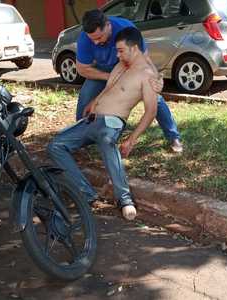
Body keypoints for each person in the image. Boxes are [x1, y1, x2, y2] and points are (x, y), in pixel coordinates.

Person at [48, 27, 157, 221]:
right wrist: (94, 102)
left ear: (134, 48)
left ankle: (124, 199)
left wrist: (132, 140)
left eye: (121, 50)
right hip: (91, 120)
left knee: (106, 140)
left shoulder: (147, 75)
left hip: (111, 122)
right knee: (55, 146)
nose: (118, 54)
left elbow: (151, 111)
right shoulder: (121, 65)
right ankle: (87, 194)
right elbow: (110, 89)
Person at [75, 9, 184, 153]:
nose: (96, 42)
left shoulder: (126, 29)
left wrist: (156, 78)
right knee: (85, 98)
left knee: (155, 97)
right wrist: (112, 79)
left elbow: (144, 58)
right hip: (102, 70)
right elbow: (82, 69)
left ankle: (173, 136)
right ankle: (78, 139)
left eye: (99, 37)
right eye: (92, 39)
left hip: (128, 66)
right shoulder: (85, 38)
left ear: (108, 25)